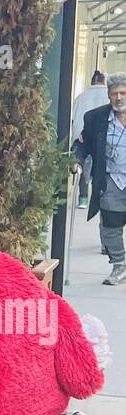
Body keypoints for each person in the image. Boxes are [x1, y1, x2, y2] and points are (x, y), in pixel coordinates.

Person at [79, 72, 126, 285]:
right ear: (108, 95)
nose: (119, 98)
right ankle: (119, 265)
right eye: (114, 93)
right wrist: (75, 160)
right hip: (111, 181)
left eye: (123, 93)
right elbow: (82, 144)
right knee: (110, 225)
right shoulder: (95, 118)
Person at [71, 70, 107, 207]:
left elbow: (73, 119)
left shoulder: (81, 97)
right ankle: (98, 198)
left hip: (82, 137)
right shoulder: (109, 96)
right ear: (104, 82)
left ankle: (83, 199)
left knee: (83, 165)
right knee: (100, 166)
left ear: (92, 82)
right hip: (101, 138)